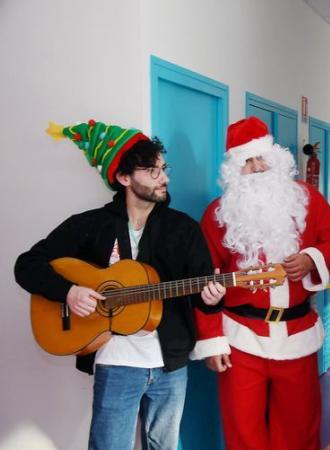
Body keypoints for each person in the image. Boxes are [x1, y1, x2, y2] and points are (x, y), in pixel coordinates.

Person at [14, 119, 225, 450]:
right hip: (115, 362)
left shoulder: (182, 228)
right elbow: (26, 266)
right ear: (125, 178)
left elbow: (202, 295)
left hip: (170, 364)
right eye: (153, 171)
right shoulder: (90, 225)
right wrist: (69, 292)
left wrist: (213, 297)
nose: (165, 178)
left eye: (164, 168)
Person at [191, 117, 330, 450]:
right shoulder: (218, 214)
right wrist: (212, 339)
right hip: (241, 338)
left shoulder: (307, 199)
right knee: (243, 431)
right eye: (247, 161)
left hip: (298, 334)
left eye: (262, 157)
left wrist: (310, 259)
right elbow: (204, 282)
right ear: (234, 170)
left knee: (299, 428)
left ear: (275, 159)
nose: (258, 167)